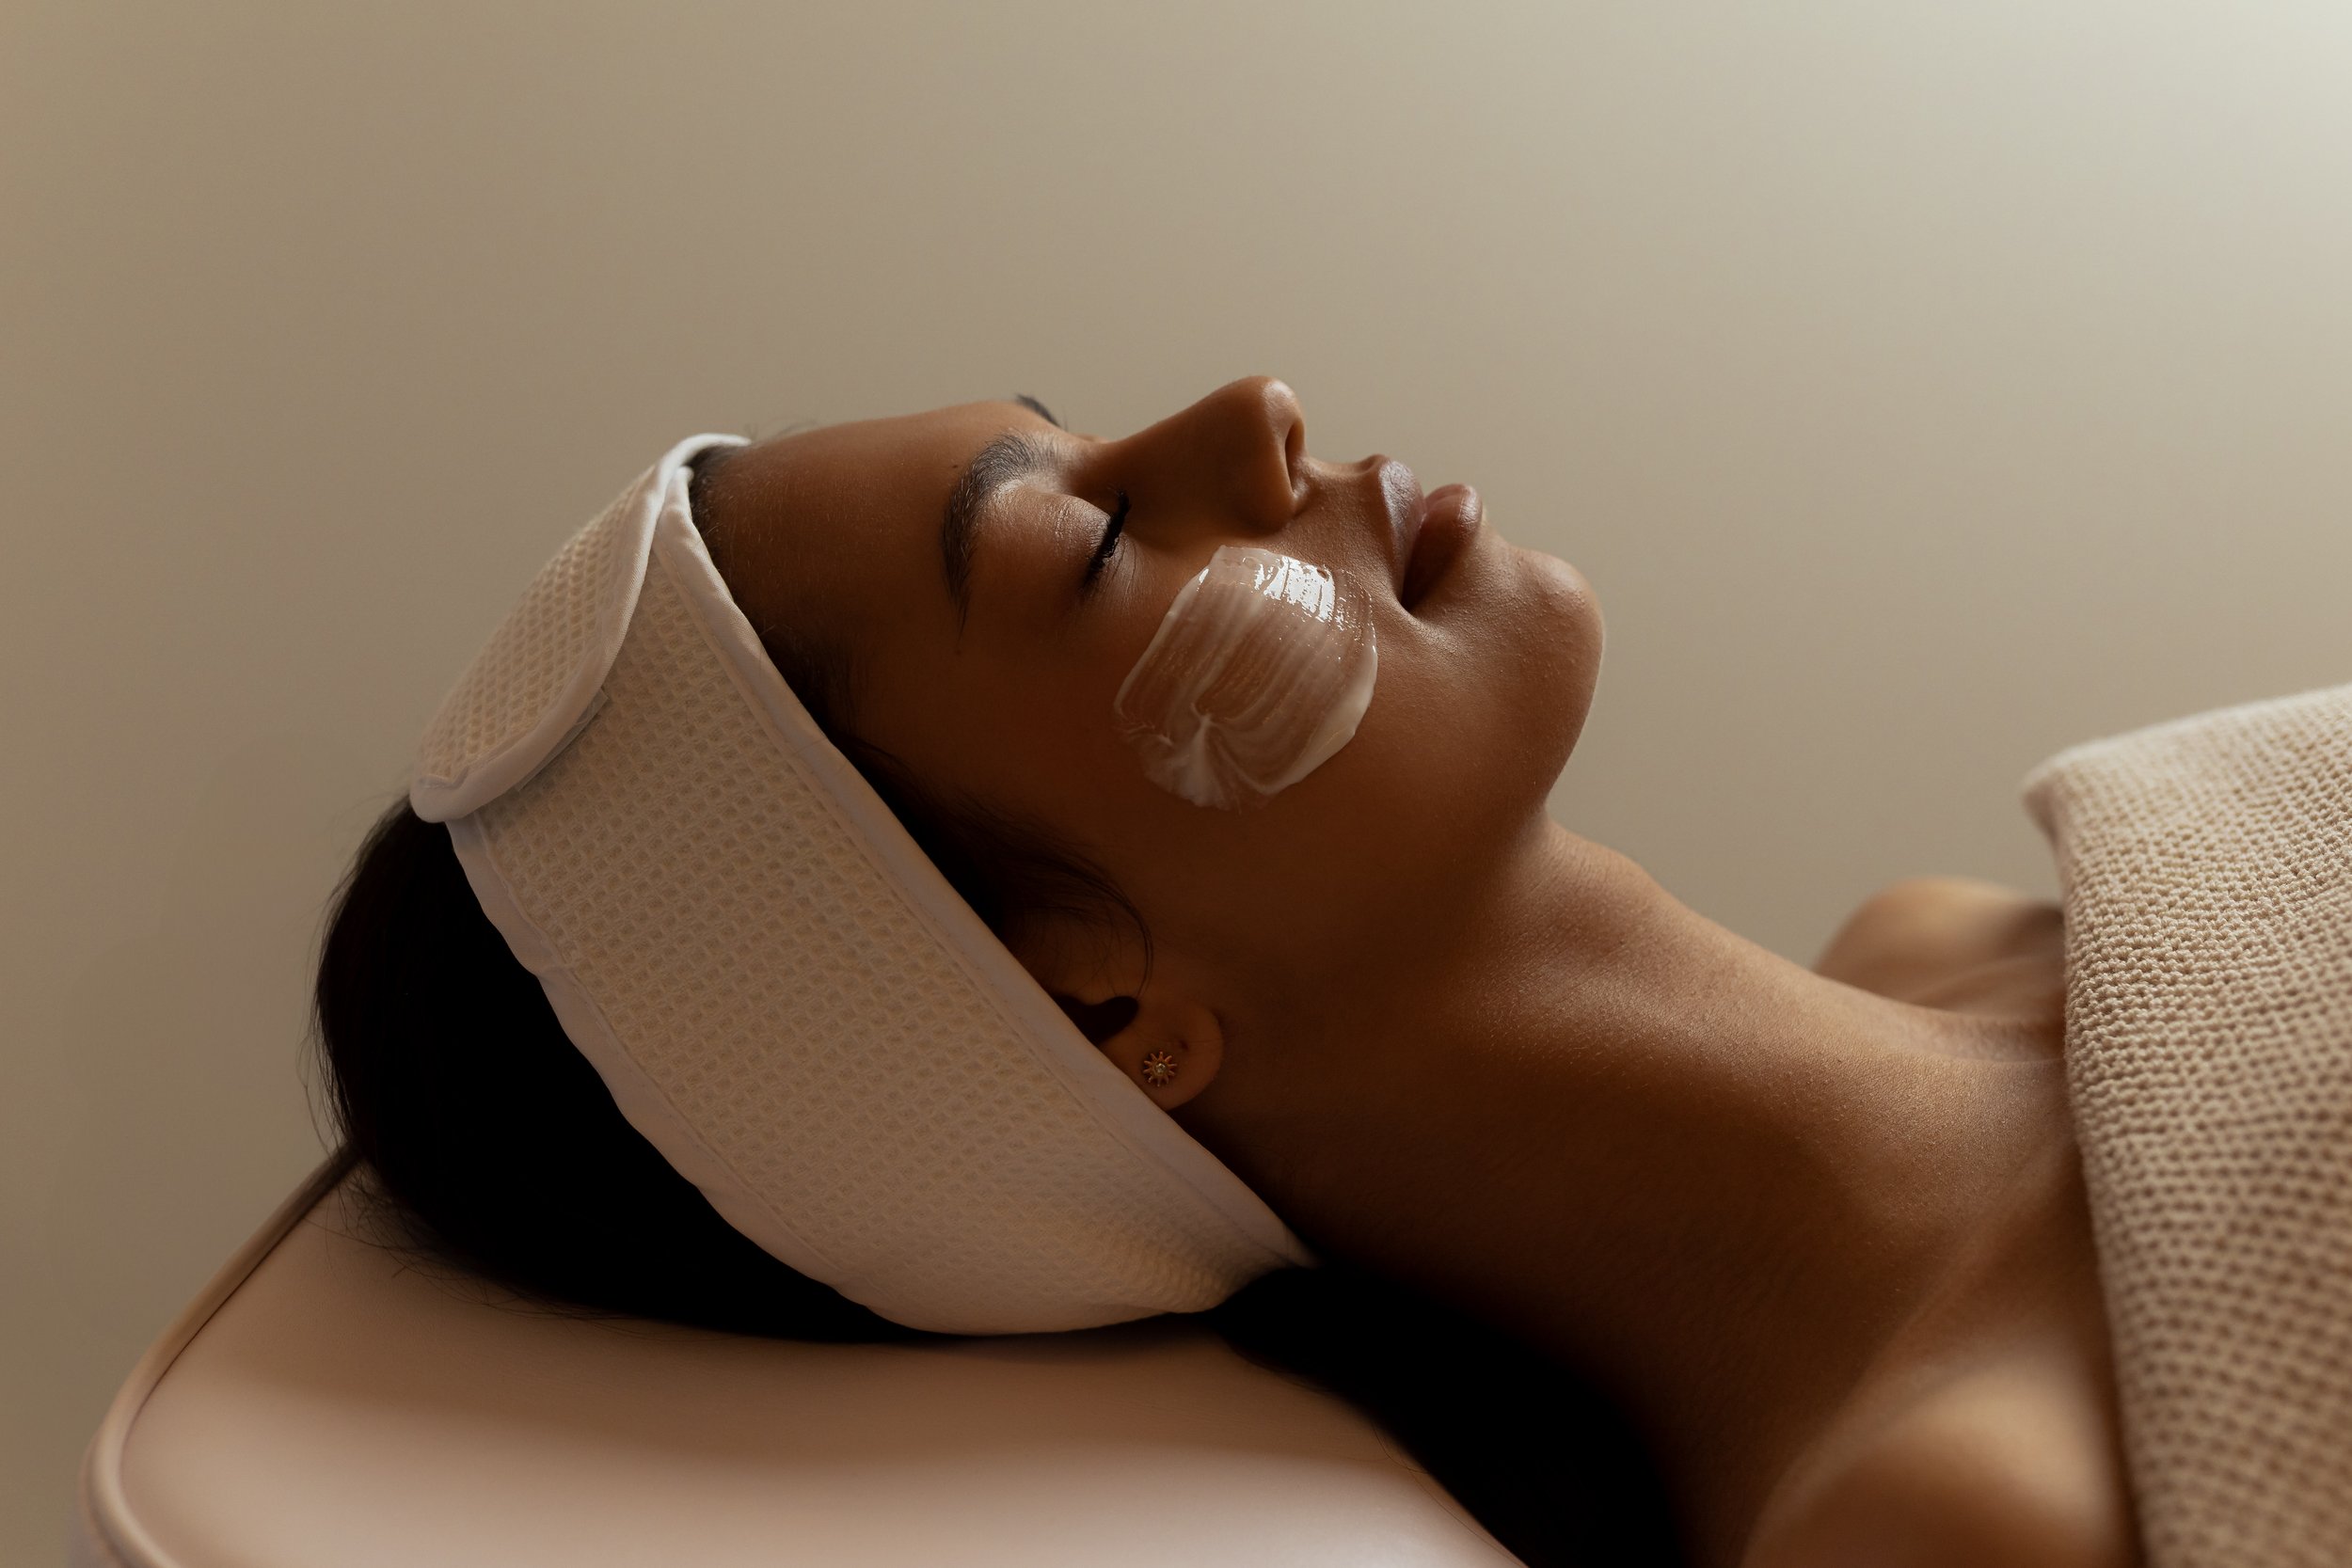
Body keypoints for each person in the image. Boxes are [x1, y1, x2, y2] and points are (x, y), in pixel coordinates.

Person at [316, 377, 2137, 1567]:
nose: (1253, 412)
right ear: (1103, 1013)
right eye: (1095, 541)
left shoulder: (1966, 928)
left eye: (1081, 431)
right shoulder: (1978, 1517)